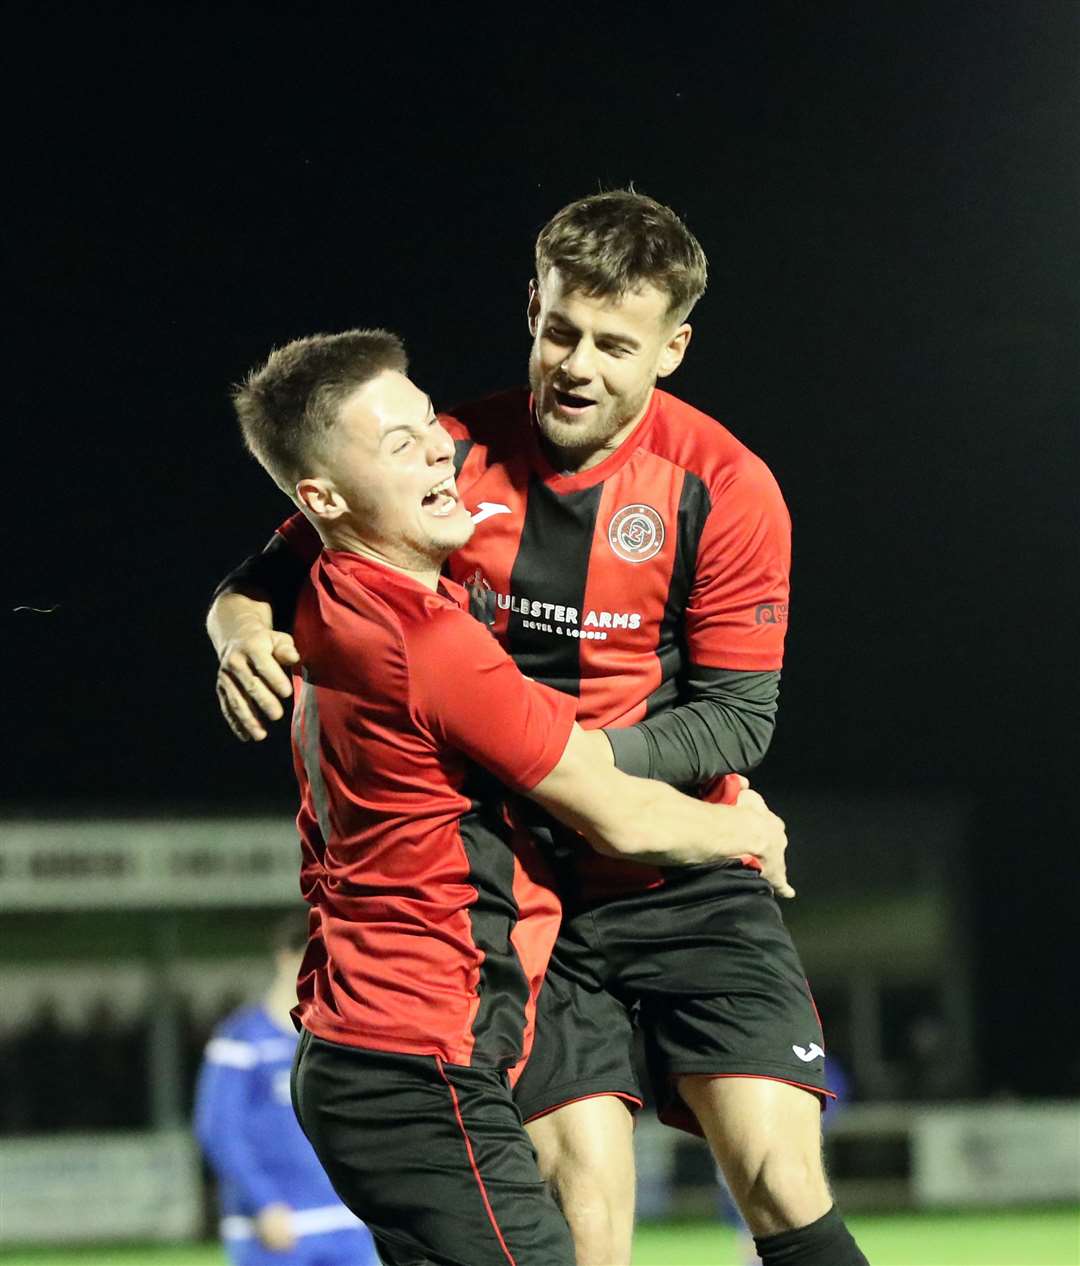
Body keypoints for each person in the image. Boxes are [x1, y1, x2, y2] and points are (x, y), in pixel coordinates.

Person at [208, 191, 869, 1266]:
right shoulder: (440, 458)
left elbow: (740, 719)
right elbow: (261, 575)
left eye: (616, 344)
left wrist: (586, 770)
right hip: (531, 890)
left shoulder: (728, 487)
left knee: (779, 1174)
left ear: (672, 349)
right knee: (583, 1214)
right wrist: (235, 636)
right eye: (561, 329)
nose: (577, 363)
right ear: (531, 307)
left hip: (673, 873)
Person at [193, 911, 379, 1266]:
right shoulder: (242, 1041)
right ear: (286, 957)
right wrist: (262, 1201)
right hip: (278, 1229)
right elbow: (218, 1130)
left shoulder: (340, 1042)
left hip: (345, 1224)